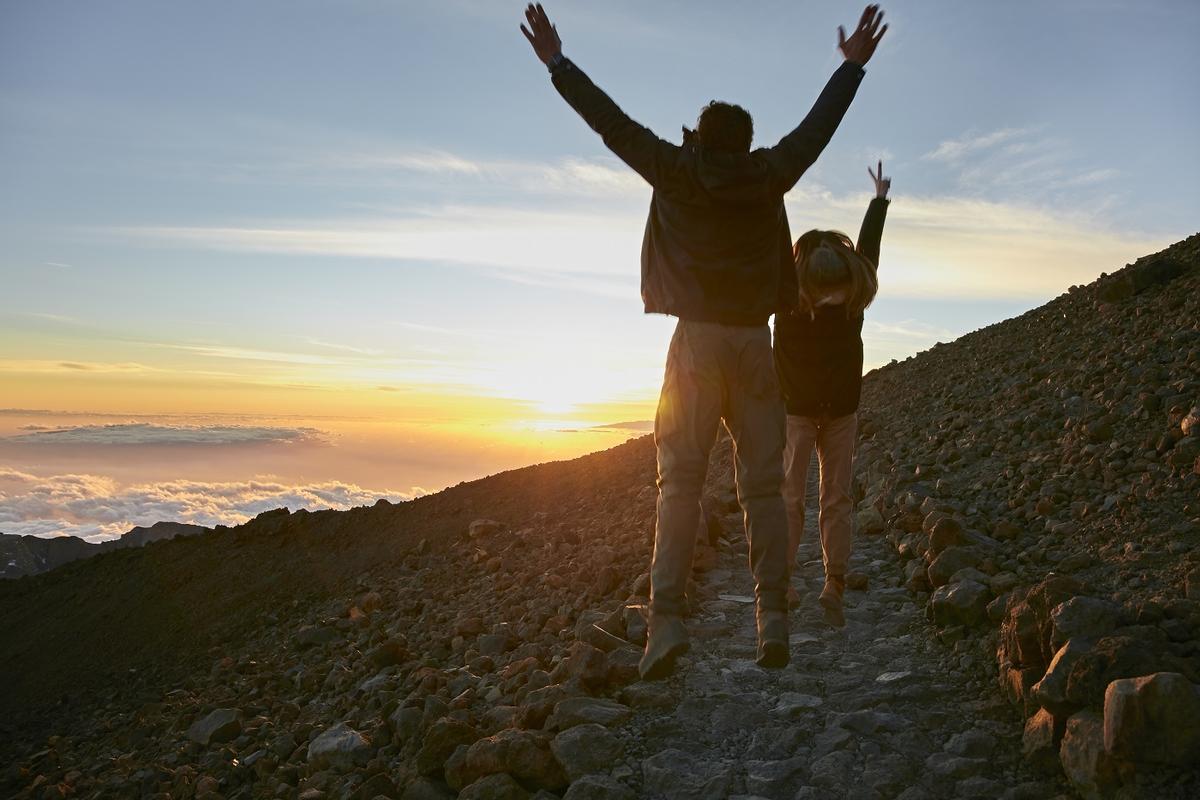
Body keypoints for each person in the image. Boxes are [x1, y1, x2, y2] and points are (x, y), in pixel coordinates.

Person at [520, 3, 887, 677]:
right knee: (763, 492)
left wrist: (557, 62)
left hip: (694, 349)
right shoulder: (769, 172)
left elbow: (610, 123)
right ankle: (771, 619)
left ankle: (666, 628)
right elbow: (817, 132)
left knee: (680, 486)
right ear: (746, 144)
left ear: (699, 136)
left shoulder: (676, 170)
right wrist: (851, 67)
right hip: (754, 347)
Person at [773, 161, 891, 627]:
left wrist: (879, 202)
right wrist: (772, 192)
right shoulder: (785, 296)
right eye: (825, 295)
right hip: (796, 412)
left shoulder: (854, 293)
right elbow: (776, 244)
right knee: (788, 499)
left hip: (841, 412)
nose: (832, 304)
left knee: (836, 499)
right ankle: (780, 584)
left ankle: (834, 585)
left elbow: (870, 251)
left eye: (839, 295)